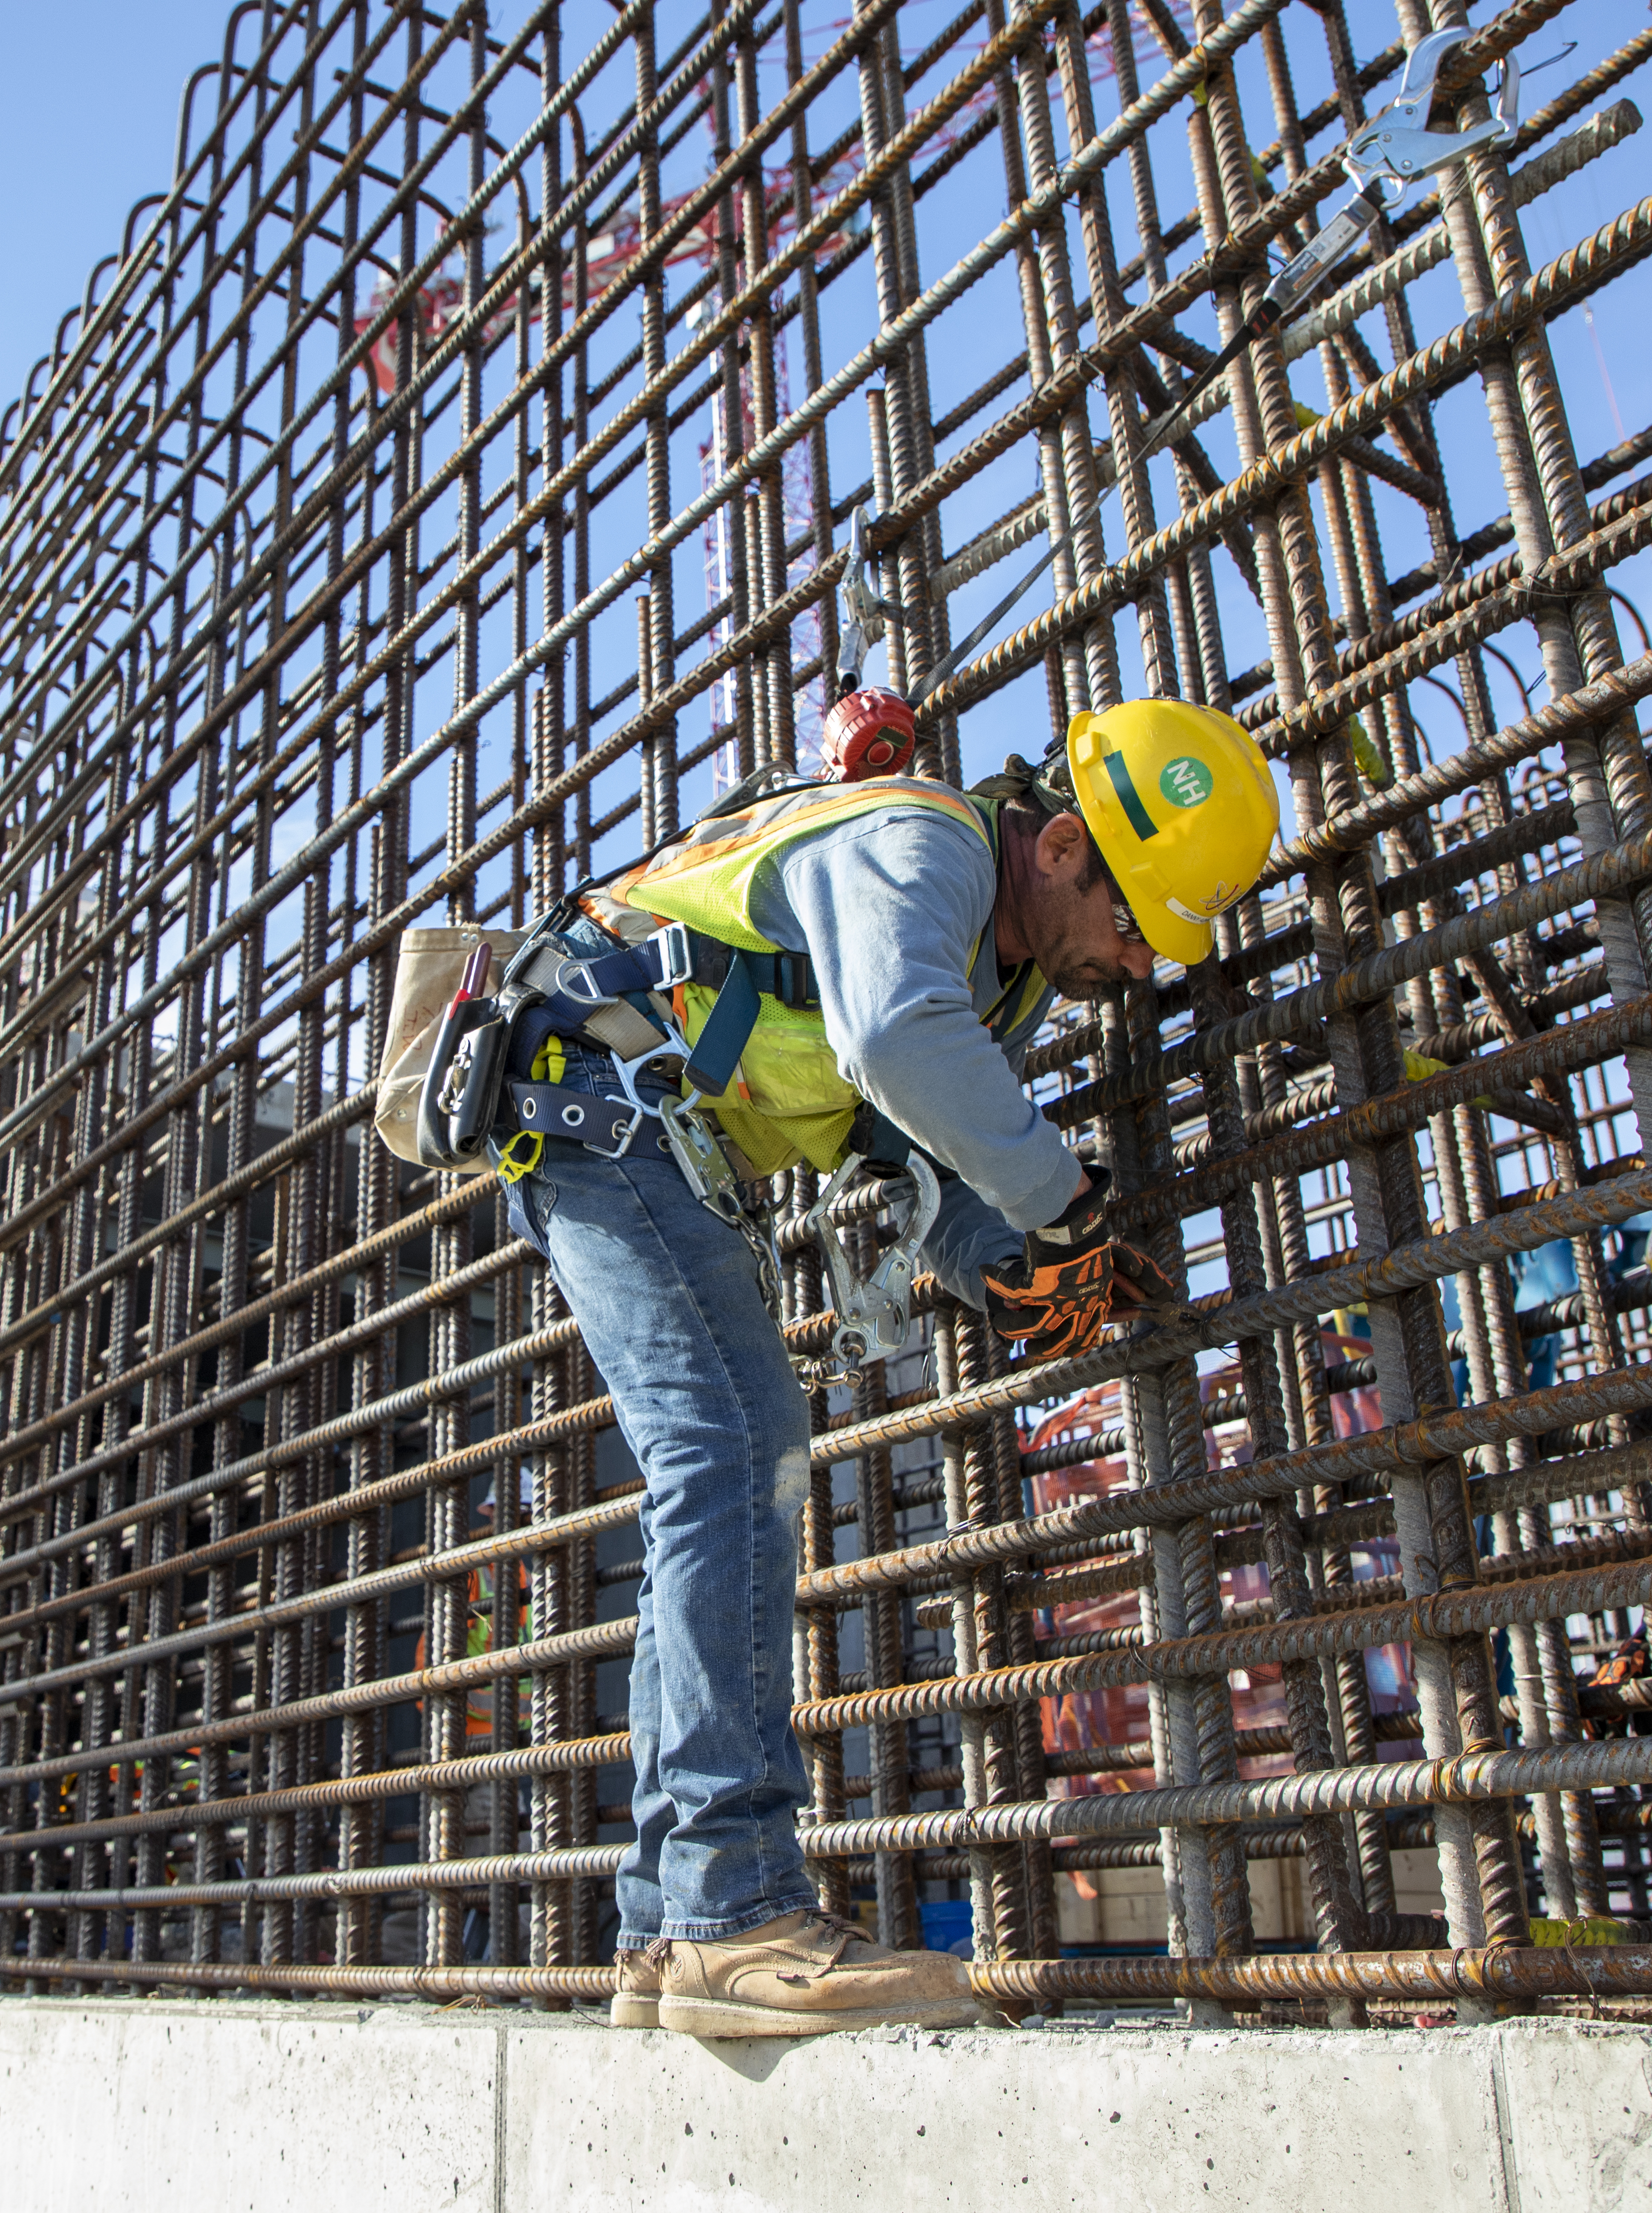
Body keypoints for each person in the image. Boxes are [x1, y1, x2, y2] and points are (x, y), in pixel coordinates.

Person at [464, 700, 1274, 2036]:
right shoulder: (926, 844)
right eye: (1135, 928)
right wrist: (1062, 1200)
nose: (1137, 971)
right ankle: (731, 1915)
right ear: (1065, 845)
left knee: (717, 1466)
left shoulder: (999, 976)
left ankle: (672, 1929)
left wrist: (1011, 1265)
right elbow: (893, 1043)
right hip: (599, 1110)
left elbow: (925, 1150)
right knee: (733, 1453)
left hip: (637, 1139)